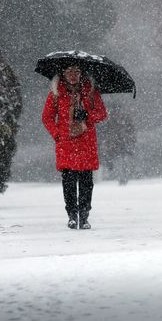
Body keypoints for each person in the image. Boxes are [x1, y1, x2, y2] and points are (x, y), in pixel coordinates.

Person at [42, 65, 107, 229]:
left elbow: (102, 113)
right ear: (63, 74)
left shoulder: (91, 92)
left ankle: (84, 217)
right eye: (69, 71)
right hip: (66, 143)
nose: (73, 75)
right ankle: (72, 215)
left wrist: (87, 115)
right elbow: (47, 117)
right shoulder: (56, 93)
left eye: (76, 72)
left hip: (86, 143)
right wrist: (57, 134)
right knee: (69, 182)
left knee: (86, 182)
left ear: (81, 74)